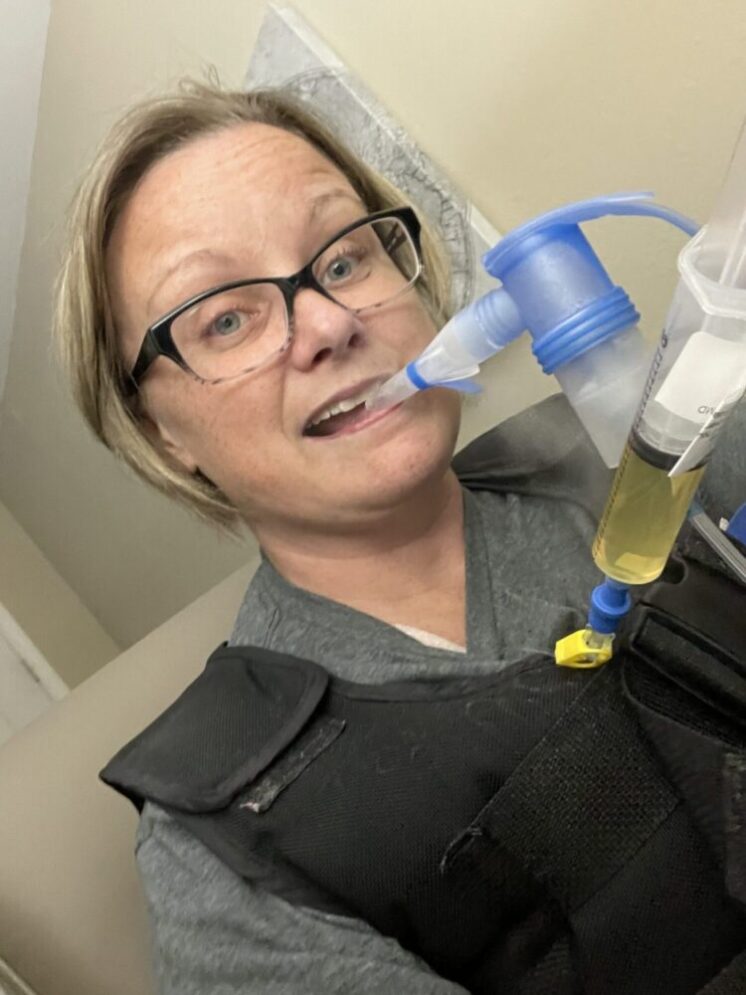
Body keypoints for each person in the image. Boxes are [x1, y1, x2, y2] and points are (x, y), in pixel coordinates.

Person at [55, 80, 746, 995]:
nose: (331, 323)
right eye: (224, 317)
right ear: (162, 434)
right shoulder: (226, 848)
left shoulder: (628, 444)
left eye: (345, 259)